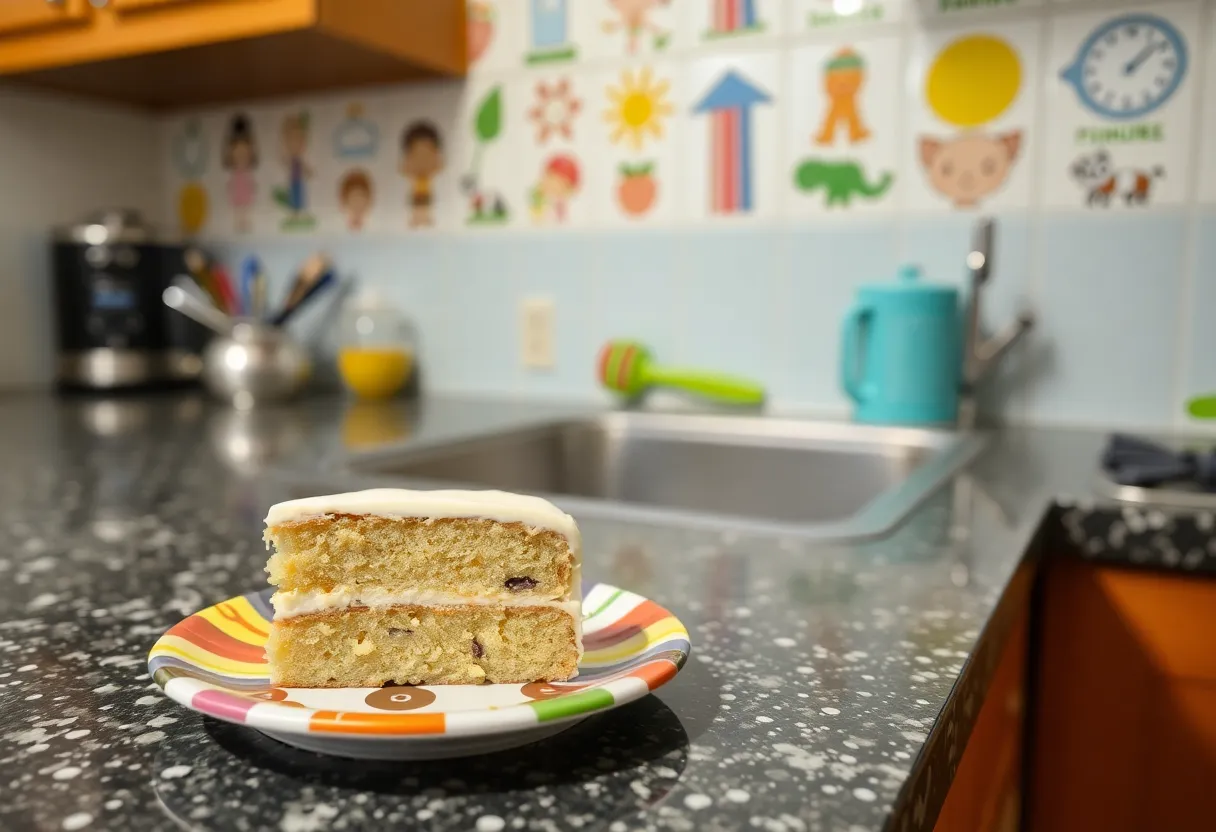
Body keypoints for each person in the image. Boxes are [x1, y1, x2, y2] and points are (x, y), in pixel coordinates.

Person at [400, 121, 444, 227]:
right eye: (417, 156)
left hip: (425, 195)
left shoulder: (436, 181)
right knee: (418, 203)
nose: (423, 162)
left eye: (428, 156)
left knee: (425, 203)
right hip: (417, 195)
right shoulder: (411, 181)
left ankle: (424, 217)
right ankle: (417, 217)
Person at [273, 112, 313, 222]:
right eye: (291, 140)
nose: (295, 144)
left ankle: (299, 214)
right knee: (293, 197)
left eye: (298, 140)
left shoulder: (299, 160)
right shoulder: (290, 160)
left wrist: (308, 172)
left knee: (300, 197)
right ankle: (294, 214)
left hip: (299, 181)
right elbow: (283, 161)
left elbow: (305, 168)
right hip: (292, 181)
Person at [222, 114, 257, 233]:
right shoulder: (233, 145)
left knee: (245, 202)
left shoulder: (247, 145)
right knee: (238, 203)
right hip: (237, 181)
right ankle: (239, 222)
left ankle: (244, 222)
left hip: (244, 181)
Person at [530, 154, 580, 223]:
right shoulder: (543, 202)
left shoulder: (566, 204)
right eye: (547, 177)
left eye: (553, 180)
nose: (546, 182)